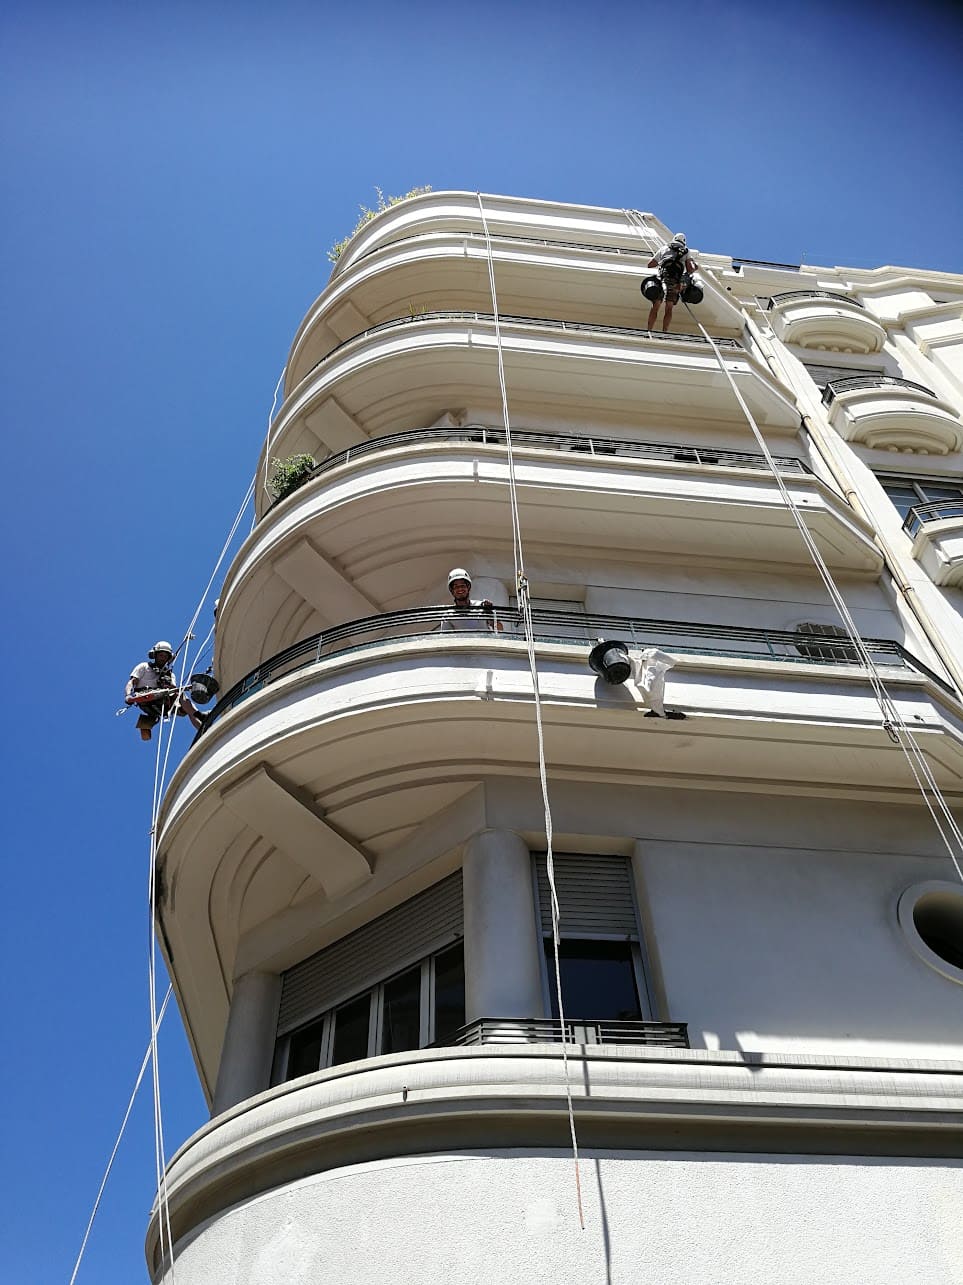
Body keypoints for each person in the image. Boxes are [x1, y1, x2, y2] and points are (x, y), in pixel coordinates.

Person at [125, 641, 206, 741]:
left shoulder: (170, 675)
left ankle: (201, 725)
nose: (163, 657)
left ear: (168, 658)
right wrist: (128, 695)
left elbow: (174, 691)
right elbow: (131, 682)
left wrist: (169, 685)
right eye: (161, 655)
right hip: (146, 698)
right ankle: (147, 722)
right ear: (155, 655)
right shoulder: (144, 667)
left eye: (165, 656)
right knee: (170, 695)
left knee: (182, 699)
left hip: (164, 702)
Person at [644, 232, 699, 333]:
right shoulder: (686, 251)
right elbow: (690, 268)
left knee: (656, 305)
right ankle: (664, 331)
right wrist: (694, 267)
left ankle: (649, 330)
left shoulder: (664, 248)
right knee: (669, 307)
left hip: (661, 277)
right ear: (684, 242)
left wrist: (662, 260)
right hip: (675, 280)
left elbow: (650, 264)